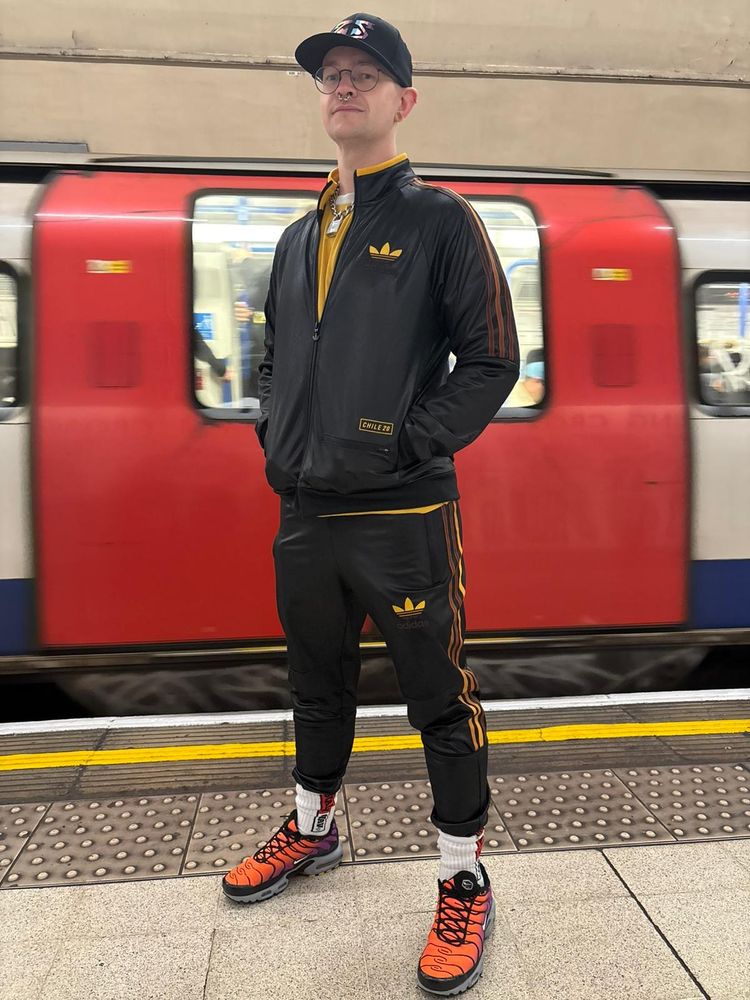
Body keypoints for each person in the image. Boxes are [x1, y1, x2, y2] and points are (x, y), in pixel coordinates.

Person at [222, 14, 519, 996]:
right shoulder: (300, 236)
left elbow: (490, 362)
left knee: (439, 697)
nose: (343, 87)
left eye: (364, 74)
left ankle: (463, 875)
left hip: (403, 515)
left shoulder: (441, 221)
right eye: (331, 76)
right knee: (315, 680)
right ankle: (315, 830)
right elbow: (273, 360)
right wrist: (277, 442)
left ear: (404, 100)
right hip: (305, 510)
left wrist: (404, 439)